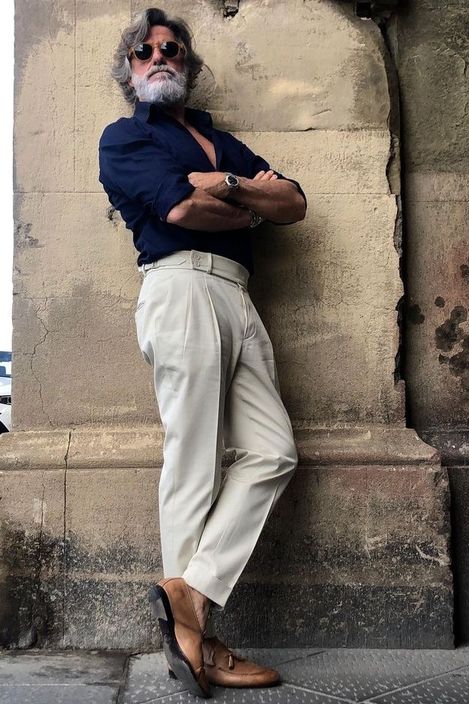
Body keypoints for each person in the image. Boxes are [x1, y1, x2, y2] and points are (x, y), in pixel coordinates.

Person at [99, 6, 306, 699]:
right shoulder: (124, 139)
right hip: (180, 286)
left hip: (238, 296)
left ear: (187, 65)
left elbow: (296, 202)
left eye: (172, 49)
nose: (160, 56)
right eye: (144, 51)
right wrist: (247, 203)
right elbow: (180, 211)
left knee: (273, 449)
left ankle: (187, 593)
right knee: (193, 455)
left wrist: (226, 187)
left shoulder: (222, 143)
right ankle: (200, 644)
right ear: (129, 70)